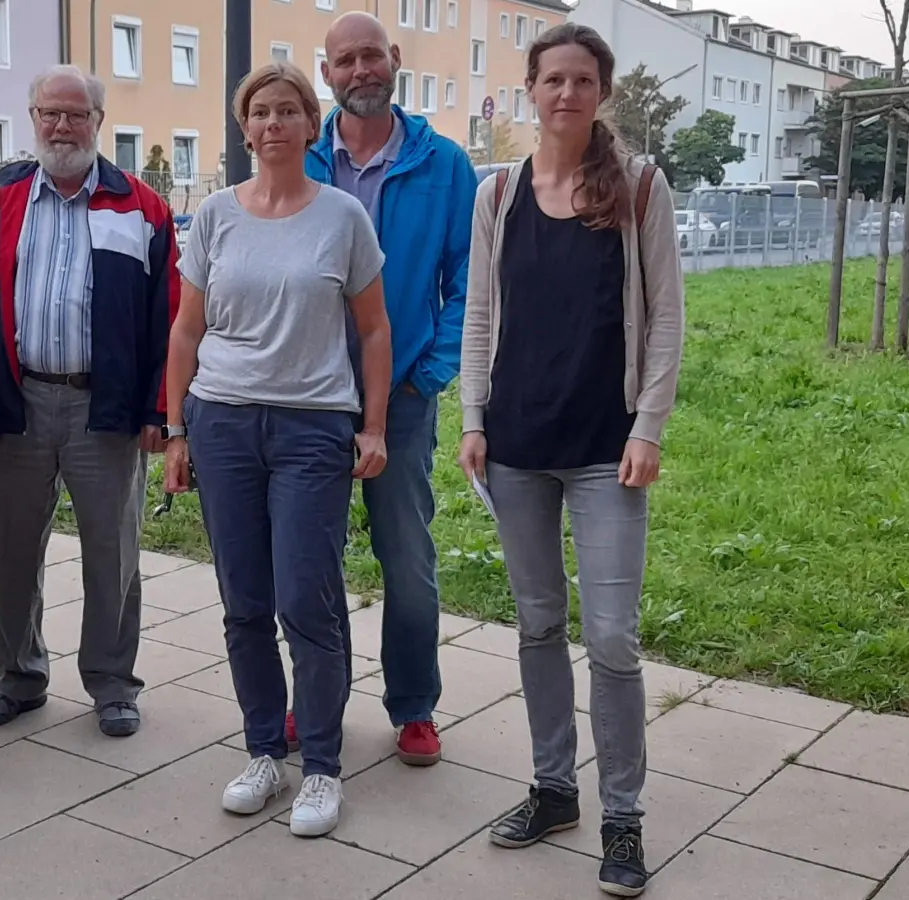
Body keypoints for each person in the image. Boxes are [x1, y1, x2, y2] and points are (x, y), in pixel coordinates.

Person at [456, 22, 684, 897]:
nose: (566, 94)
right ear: (531, 88)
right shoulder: (500, 193)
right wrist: (473, 417)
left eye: (582, 80)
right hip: (517, 447)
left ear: (602, 91)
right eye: (552, 79)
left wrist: (648, 428)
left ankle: (622, 814)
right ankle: (555, 789)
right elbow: (479, 315)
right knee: (539, 624)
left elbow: (665, 317)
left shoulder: (638, 187)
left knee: (614, 639)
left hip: (605, 450)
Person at [163, 62, 391, 838]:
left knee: (308, 599)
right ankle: (265, 751)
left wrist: (374, 425)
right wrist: (175, 430)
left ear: (309, 123)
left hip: (311, 428)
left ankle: (321, 766)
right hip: (222, 423)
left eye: (288, 110)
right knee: (245, 604)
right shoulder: (216, 216)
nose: (272, 124)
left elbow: (372, 329)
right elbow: (187, 330)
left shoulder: (341, 217)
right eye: (259, 112)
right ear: (245, 125)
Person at [0, 65, 178, 738]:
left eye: (75, 115)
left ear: (98, 123)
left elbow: (168, 317)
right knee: (11, 552)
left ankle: (112, 683)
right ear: (32, 119)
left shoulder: (142, 208)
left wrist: (158, 411)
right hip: (18, 403)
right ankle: (18, 676)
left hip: (104, 408)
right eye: (48, 114)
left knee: (112, 553)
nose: (61, 126)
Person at [300, 10, 476, 767]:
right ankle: (315, 703)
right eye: (346, 60)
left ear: (394, 60)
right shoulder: (300, 159)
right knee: (312, 559)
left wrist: (426, 376)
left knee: (407, 560)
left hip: (400, 401)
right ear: (328, 72)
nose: (361, 70)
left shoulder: (444, 165)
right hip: (306, 397)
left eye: (373, 55)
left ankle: (413, 707)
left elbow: (470, 284)